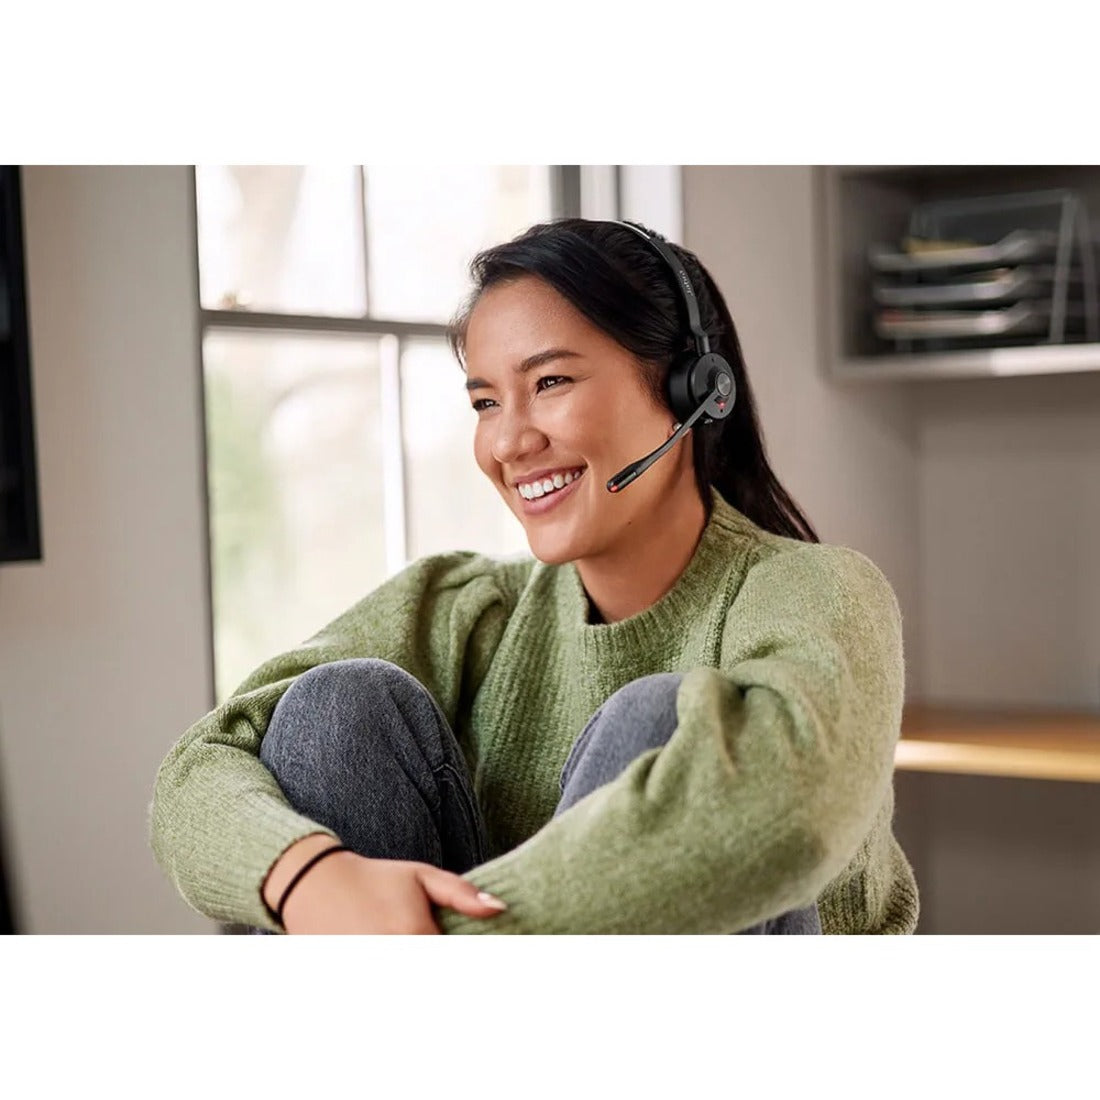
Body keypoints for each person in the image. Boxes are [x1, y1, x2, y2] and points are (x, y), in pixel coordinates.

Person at [148, 217, 919, 935]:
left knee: (663, 723)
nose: (510, 440)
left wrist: (438, 945)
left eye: (551, 383)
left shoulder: (820, 592)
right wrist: (311, 877)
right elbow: (197, 772)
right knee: (332, 708)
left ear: (691, 386)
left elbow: (795, 817)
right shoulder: (466, 604)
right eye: (486, 401)